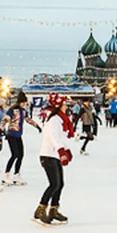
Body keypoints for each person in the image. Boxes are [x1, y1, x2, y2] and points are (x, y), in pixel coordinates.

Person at [34, 93, 74, 225]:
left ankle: (53, 209)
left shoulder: (61, 119)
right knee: (54, 184)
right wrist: (61, 151)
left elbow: (62, 137)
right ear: (58, 105)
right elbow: (53, 137)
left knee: (60, 184)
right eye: (64, 104)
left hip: (54, 155)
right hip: (48, 155)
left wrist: (66, 150)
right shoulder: (54, 120)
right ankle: (41, 209)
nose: (66, 106)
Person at [2, 92, 40, 185]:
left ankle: (16, 175)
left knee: (21, 155)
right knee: (14, 155)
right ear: (21, 102)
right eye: (24, 102)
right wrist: (1, 128)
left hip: (18, 135)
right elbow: (5, 119)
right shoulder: (13, 110)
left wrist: (37, 126)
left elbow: (28, 120)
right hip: (11, 135)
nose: (25, 104)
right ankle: (6, 175)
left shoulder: (23, 111)